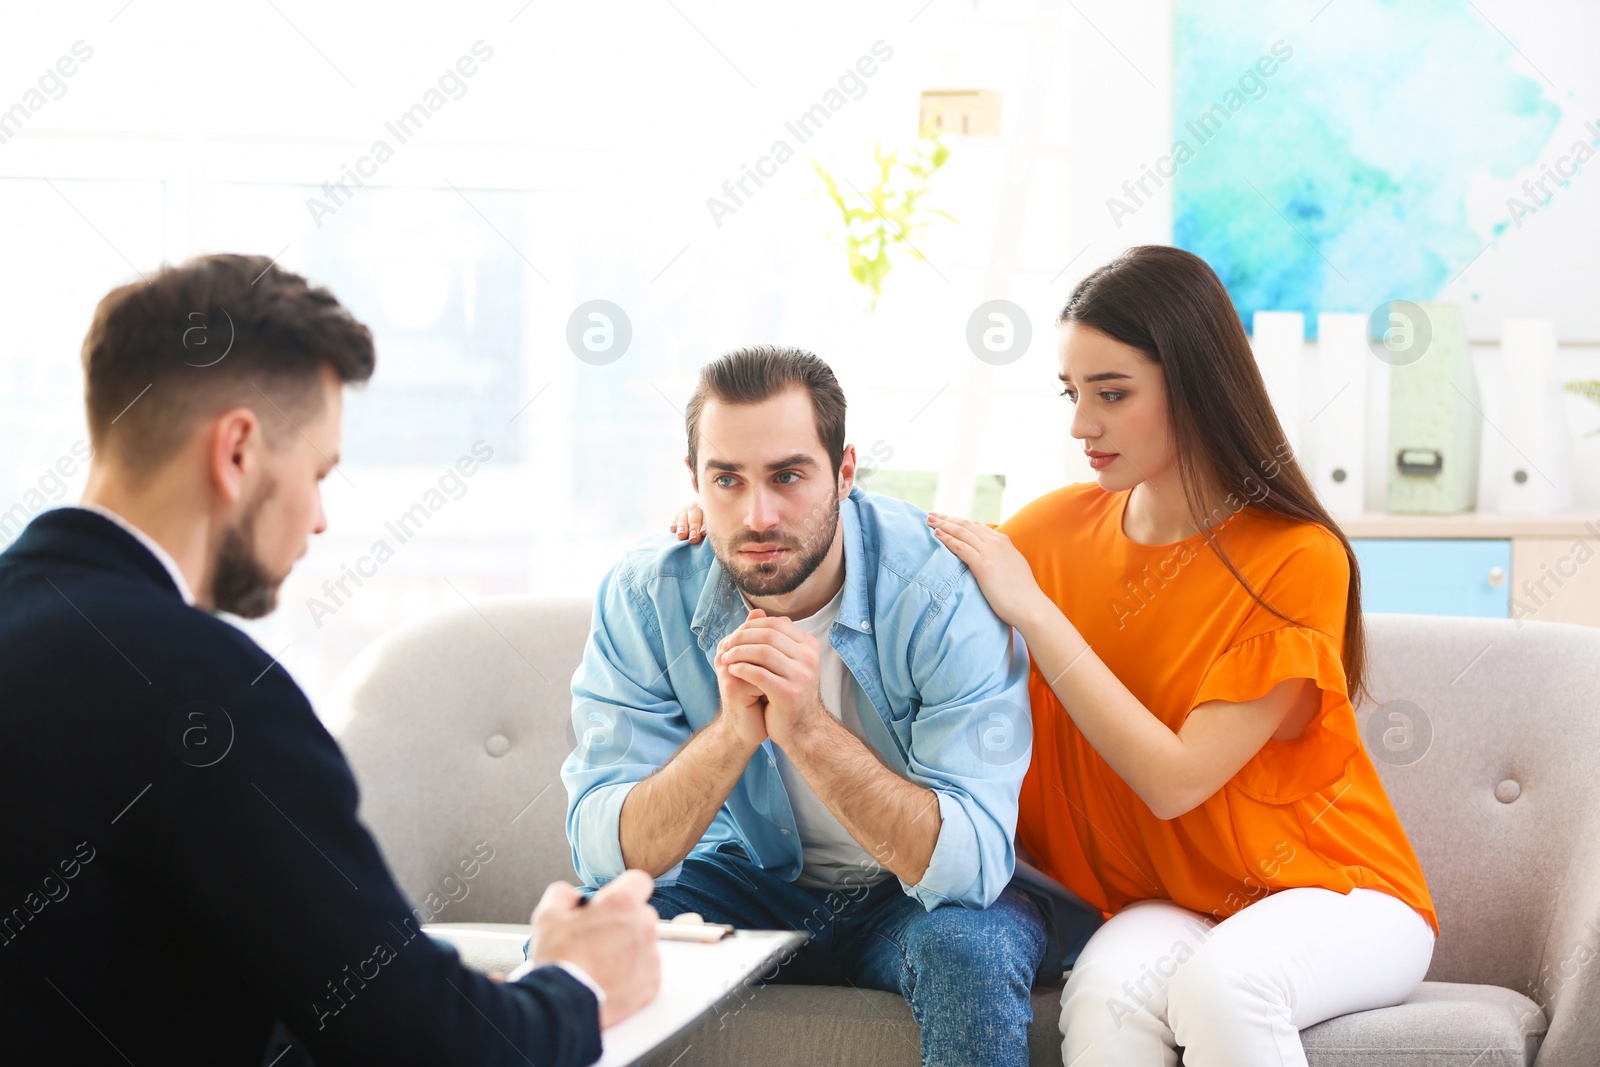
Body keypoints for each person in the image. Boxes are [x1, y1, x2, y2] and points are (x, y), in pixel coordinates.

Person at [0, 254, 659, 1067]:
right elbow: (429, 1048)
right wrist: (577, 980)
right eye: (316, 473)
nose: (316, 520)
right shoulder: (203, 690)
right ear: (237, 451)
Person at [923, 245, 1438, 1065]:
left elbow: (1174, 780)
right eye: (1073, 393)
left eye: (1113, 394)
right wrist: (731, 530)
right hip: (1175, 901)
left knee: (1223, 986)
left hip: (1339, 892)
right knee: (1103, 997)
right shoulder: (1052, 530)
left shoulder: (1297, 556)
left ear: (1194, 383)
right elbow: (893, 576)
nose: (1081, 425)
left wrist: (1037, 613)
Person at [564, 345, 1050, 1067]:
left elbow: (973, 861)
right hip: (745, 877)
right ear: (695, 481)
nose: (758, 514)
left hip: (909, 899)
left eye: (788, 475)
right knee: (585, 937)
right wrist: (734, 735)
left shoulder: (941, 591)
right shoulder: (646, 595)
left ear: (845, 470)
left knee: (967, 951)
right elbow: (604, 852)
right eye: (726, 479)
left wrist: (810, 732)